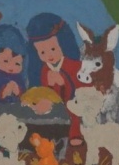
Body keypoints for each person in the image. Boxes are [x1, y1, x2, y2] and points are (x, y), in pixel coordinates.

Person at [26, 13, 85, 146]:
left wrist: (64, 81)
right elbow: (37, 90)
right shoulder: (43, 70)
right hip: (50, 109)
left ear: (63, 44)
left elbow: (82, 89)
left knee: (73, 111)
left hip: (72, 105)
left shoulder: (74, 66)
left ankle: (75, 134)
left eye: (53, 49)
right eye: (42, 52)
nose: (49, 55)